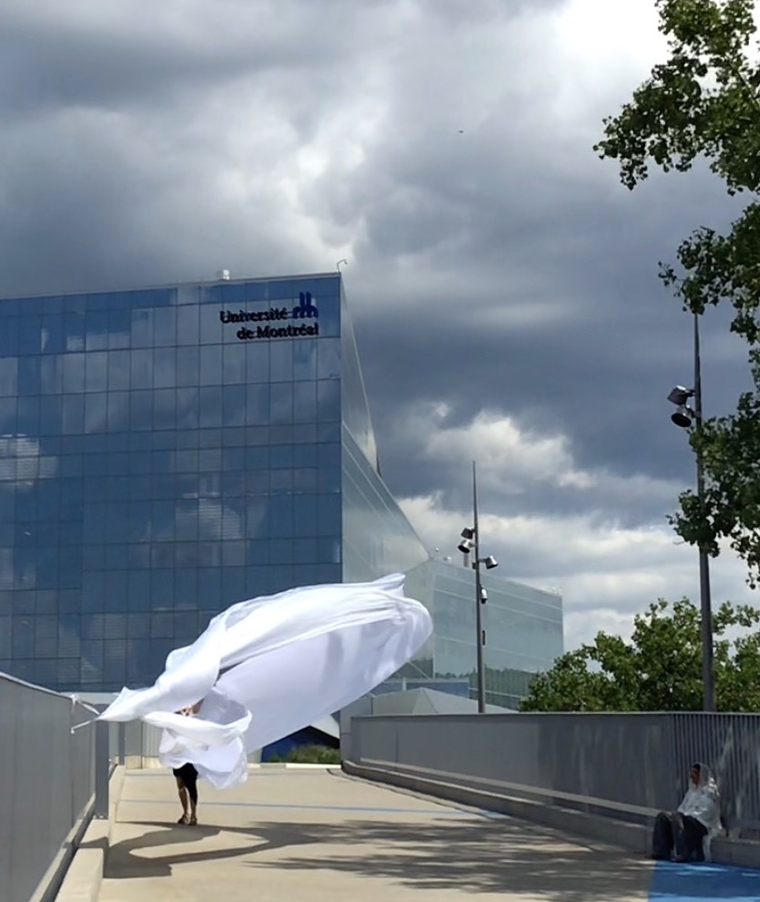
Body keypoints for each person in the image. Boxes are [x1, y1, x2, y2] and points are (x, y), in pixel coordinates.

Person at [650, 762, 722, 862]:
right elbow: (682, 808)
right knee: (663, 817)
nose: (692, 776)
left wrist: (686, 816)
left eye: (695, 773)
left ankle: (683, 853)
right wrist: (678, 817)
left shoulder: (709, 793)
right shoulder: (691, 792)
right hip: (686, 821)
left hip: (701, 824)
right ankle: (660, 851)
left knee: (678, 818)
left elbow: (707, 813)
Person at [173, 702, 202, 826]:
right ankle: (185, 813)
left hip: (190, 758)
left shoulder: (193, 720)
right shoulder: (176, 718)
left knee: (191, 786)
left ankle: (194, 815)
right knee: (180, 786)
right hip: (178, 756)